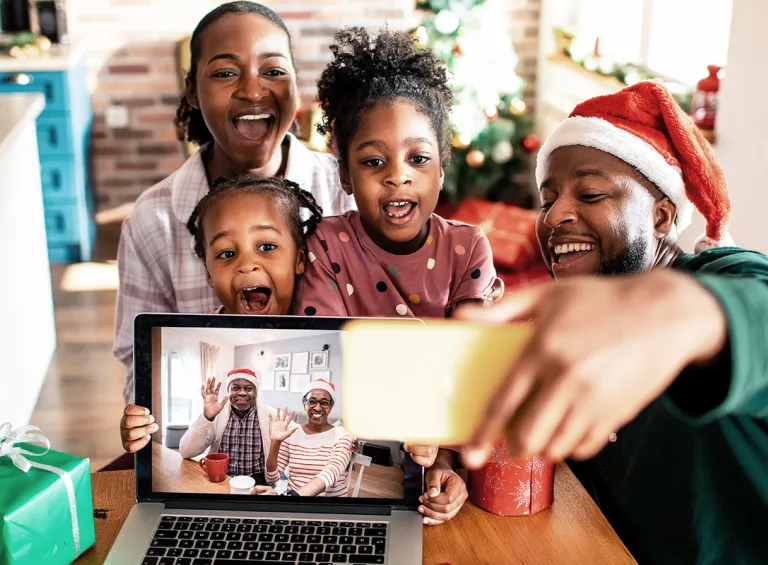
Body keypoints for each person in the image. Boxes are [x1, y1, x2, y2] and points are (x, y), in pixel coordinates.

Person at [460, 82, 768, 564]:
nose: (556, 214)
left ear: (662, 216)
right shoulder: (569, 330)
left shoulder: (724, 275)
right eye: (548, 198)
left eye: (591, 192)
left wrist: (671, 307)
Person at [114, 1, 355, 404]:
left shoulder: (344, 191)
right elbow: (139, 360)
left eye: (274, 71)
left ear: (296, 84)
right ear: (192, 89)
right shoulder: (151, 221)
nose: (253, 89)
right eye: (225, 73)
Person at [292, 27, 499, 319]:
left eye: (418, 158)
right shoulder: (325, 244)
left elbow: (469, 349)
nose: (398, 176)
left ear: (440, 171)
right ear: (346, 177)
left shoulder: (468, 248)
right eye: (374, 162)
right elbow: (324, 346)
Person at [119, 175, 322, 452]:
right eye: (227, 253)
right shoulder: (217, 410)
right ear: (209, 274)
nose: (247, 264)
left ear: (299, 259)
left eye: (266, 247)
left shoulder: (271, 416)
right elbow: (188, 451)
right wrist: (142, 427)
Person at [181, 368, 287, 484]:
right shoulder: (217, 415)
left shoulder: (271, 417)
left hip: (258, 480)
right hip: (222, 478)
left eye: (248, 388)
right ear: (228, 391)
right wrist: (206, 418)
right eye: (235, 388)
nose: (242, 392)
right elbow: (186, 452)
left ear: (256, 392)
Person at [264, 380, 355, 497]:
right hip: (294, 500)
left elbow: (331, 472)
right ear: (304, 404)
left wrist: (295, 498)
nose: (317, 408)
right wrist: (275, 442)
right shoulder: (292, 433)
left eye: (324, 403)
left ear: (330, 407)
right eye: (312, 401)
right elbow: (271, 478)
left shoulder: (342, 436)